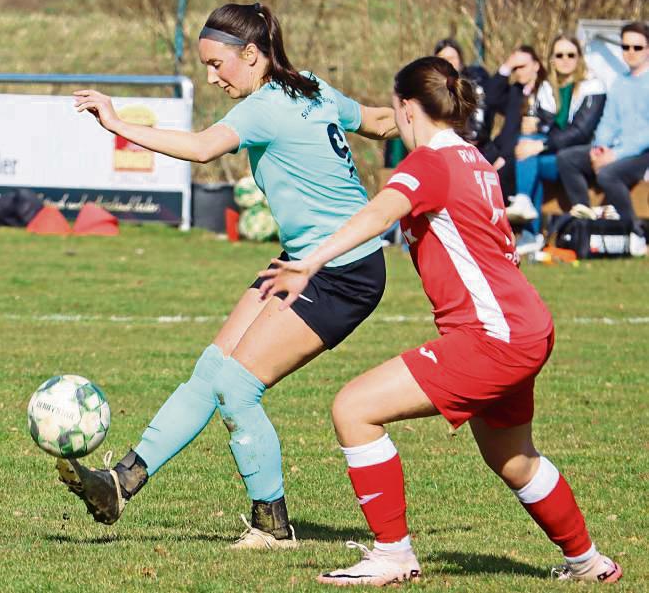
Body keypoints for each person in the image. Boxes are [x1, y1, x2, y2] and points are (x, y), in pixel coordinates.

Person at [259, 56, 622, 586]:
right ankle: (589, 562)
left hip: (492, 336)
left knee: (354, 409)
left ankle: (393, 553)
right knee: (513, 456)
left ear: (407, 108)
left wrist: (310, 262)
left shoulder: (427, 163)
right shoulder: (474, 158)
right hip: (525, 325)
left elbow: (380, 213)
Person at [56, 2, 399, 548]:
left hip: (342, 271)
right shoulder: (309, 86)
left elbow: (199, 149)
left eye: (218, 64)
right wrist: (436, 125)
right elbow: (381, 121)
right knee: (212, 370)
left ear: (252, 53)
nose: (212, 77)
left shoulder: (264, 106)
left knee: (238, 389)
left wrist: (117, 123)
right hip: (303, 260)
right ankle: (120, 482)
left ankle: (272, 526)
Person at [506, 34, 606, 253]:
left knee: (530, 154)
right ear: (551, 59)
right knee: (527, 150)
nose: (565, 59)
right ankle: (529, 224)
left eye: (571, 54)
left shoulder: (593, 86)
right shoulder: (547, 89)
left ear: (579, 58)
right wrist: (534, 125)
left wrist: (539, 145)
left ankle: (531, 230)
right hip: (556, 155)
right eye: (559, 55)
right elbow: (547, 127)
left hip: (584, 156)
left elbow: (581, 132)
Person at [556, 21, 649, 257]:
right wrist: (599, 148)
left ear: (647, 49)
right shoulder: (620, 82)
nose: (630, 52)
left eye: (637, 47)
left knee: (608, 174)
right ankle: (587, 221)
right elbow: (608, 121)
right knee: (568, 158)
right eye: (626, 47)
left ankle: (635, 232)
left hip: (640, 154)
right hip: (613, 151)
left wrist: (614, 155)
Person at [482, 46, 552, 205]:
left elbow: (532, 132)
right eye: (516, 68)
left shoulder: (544, 93)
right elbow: (491, 98)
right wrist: (506, 67)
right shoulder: (516, 90)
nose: (518, 72)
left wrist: (504, 157)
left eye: (522, 66)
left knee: (497, 180)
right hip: (500, 148)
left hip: (520, 153)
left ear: (536, 65)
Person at [434, 38, 492, 149]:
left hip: (472, 144)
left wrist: (471, 136)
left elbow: (479, 116)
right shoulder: (432, 87)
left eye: (452, 58)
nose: (448, 62)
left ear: (460, 60)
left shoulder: (472, 82)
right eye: (443, 59)